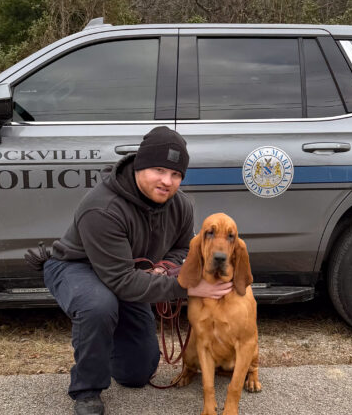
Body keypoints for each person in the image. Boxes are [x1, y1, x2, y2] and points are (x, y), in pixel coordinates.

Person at [40, 126, 233, 415]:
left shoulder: (181, 205)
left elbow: (183, 251)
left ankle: (110, 339)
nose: (167, 181)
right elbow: (120, 280)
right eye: (158, 170)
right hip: (76, 267)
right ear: (139, 166)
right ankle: (87, 390)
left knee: (137, 374)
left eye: (176, 174)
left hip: (130, 274)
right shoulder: (102, 208)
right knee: (98, 304)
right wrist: (187, 285)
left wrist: (163, 268)